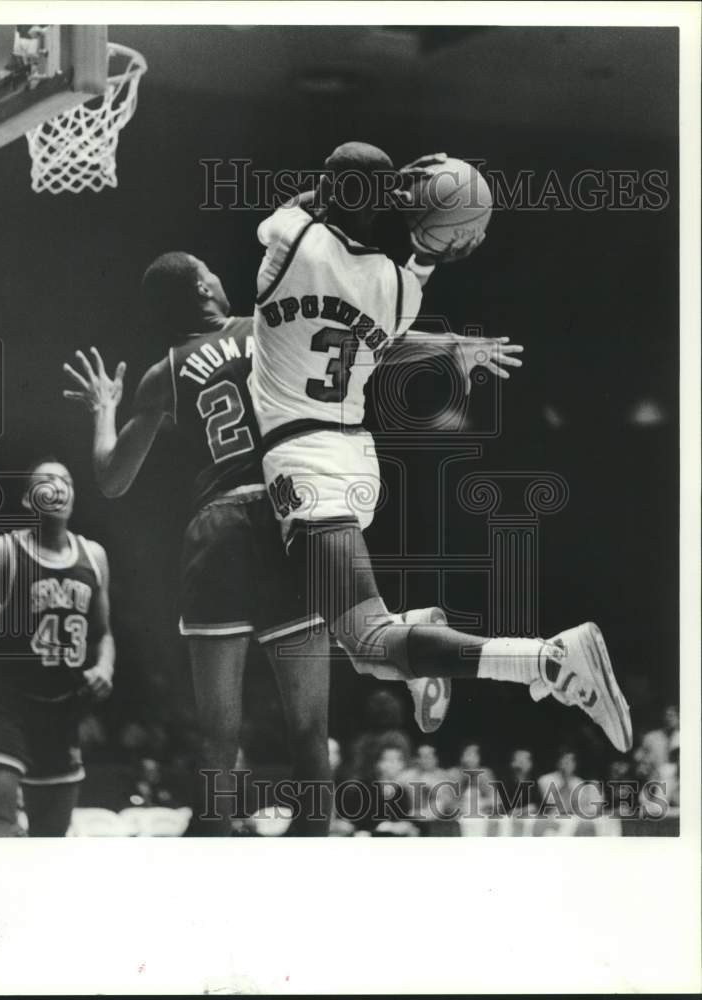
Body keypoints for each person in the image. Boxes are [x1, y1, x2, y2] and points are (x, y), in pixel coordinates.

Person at [249, 140, 632, 752]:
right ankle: (426, 633)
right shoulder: (399, 287)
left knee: (370, 643)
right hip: (351, 453)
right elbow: (381, 338)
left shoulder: (289, 240)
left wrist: (385, 188)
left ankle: (551, 657)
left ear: (329, 190)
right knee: (370, 649)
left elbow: (306, 201)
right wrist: (435, 281)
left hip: (304, 457)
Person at [63, 252, 331, 835]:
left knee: (217, 732)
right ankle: (316, 858)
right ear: (207, 285)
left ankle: (210, 859)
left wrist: (104, 411)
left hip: (219, 528)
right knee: (310, 726)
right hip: (289, 514)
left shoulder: (163, 374)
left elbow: (111, 479)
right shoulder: (270, 325)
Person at [0, 459, 115, 836]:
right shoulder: (2, 552)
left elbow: (103, 634)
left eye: (66, 479)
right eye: (46, 480)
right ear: (27, 500)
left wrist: (105, 668)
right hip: (8, 711)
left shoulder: (94, 557)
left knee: (49, 846)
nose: (57, 486)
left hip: (63, 715)